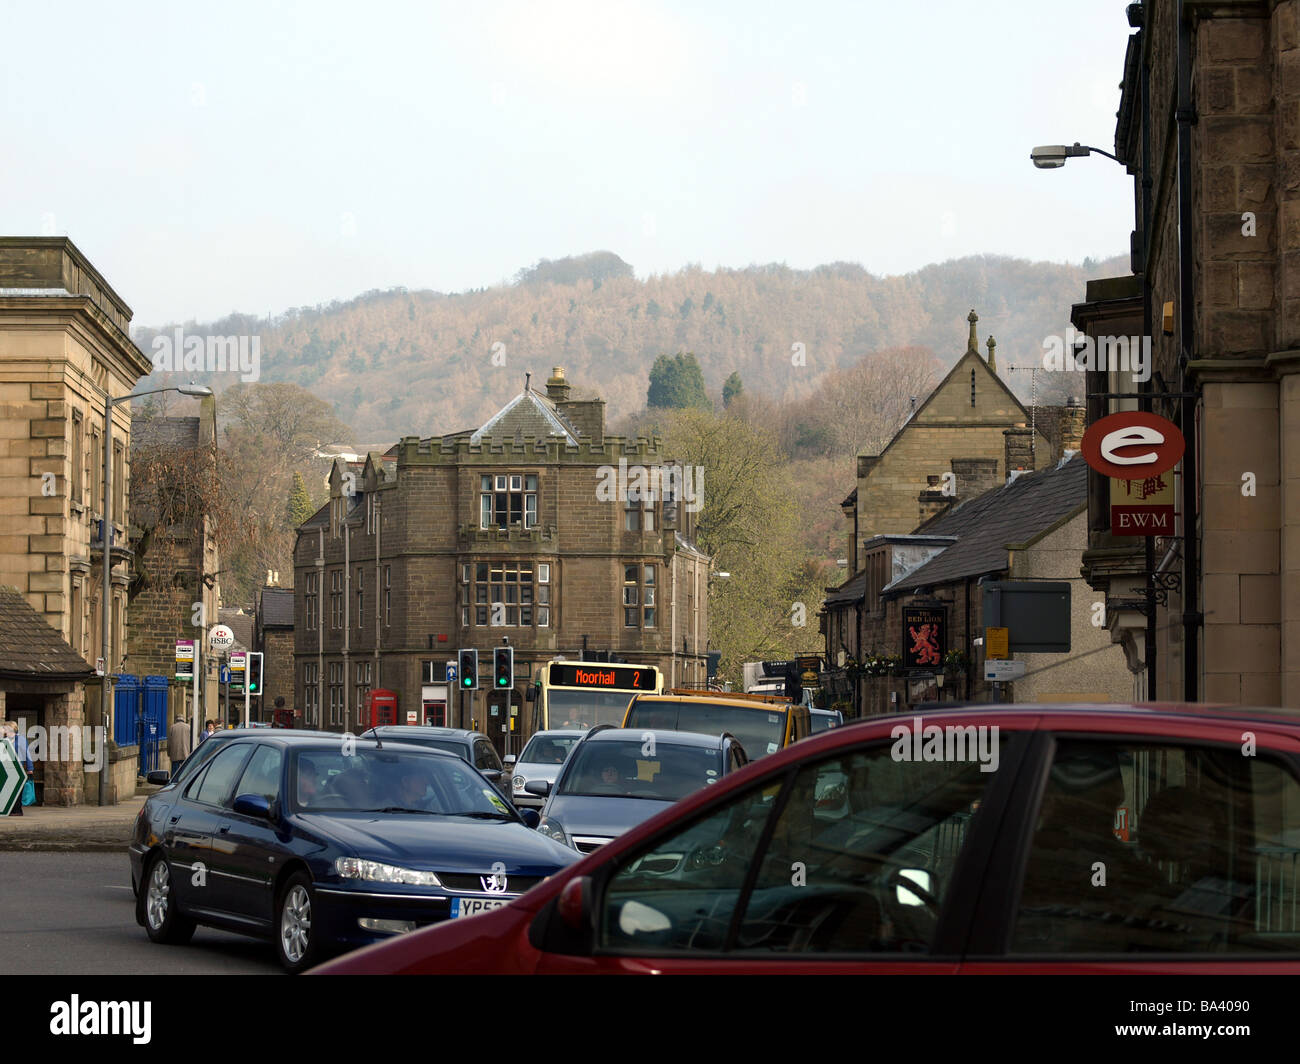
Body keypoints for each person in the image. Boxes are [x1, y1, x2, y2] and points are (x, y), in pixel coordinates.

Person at [4, 722, 33, 816]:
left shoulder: (20, 739)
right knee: (8, 788)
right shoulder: (5, 739)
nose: (4, 730)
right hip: (7, 767)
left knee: (17, 789)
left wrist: (30, 768)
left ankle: (17, 810)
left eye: (5, 728)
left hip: (18, 767)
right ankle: (9, 809)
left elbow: (26, 753)